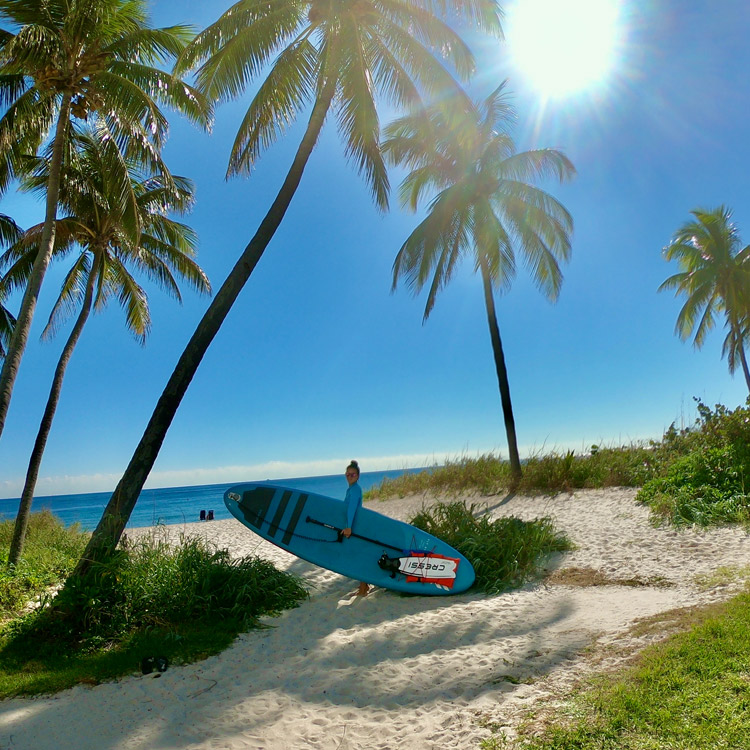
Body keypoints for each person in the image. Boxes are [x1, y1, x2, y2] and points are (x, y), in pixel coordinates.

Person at [341, 460, 369, 596]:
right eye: (348, 474)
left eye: (352, 475)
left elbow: (352, 509)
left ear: (357, 476)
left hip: (355, 526)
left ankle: (364, 586)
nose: (349, 477)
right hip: (354, 524)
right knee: (357, 555)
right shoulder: (351, 489)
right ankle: (363, 585)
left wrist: (348, 528)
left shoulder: (355, 490)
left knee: (357, 556)